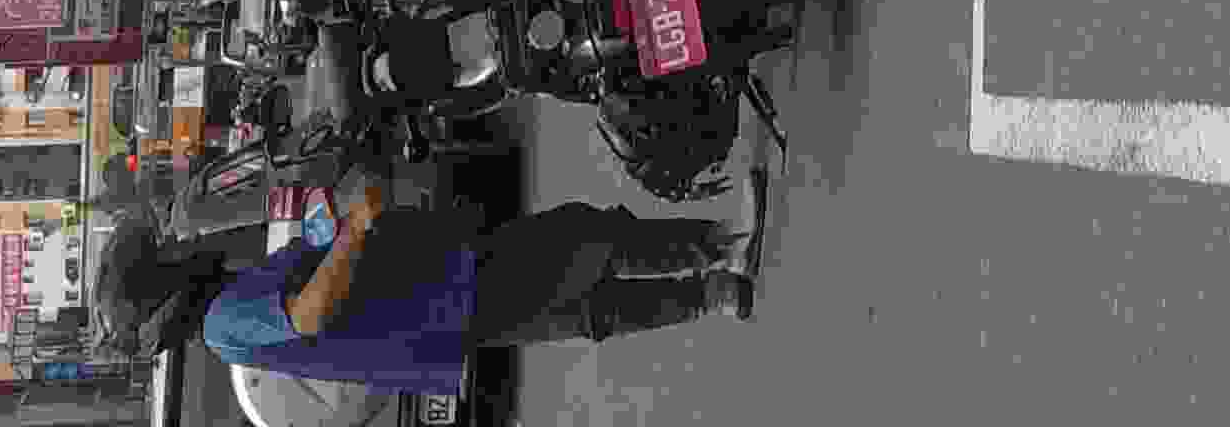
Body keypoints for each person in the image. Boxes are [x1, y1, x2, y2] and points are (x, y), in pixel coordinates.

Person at [93, 159, 765, 396]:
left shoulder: (225, 310)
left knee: (584, 309)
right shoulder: (223, 322)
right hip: (440, 297)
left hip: (439, 313)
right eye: (166, 251)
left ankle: (714, 294)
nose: (179, 243)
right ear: (167, 285)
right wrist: (354, 231)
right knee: (582, 238)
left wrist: (330, 226)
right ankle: (723, 246)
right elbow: (309, 312)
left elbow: (310, 281)